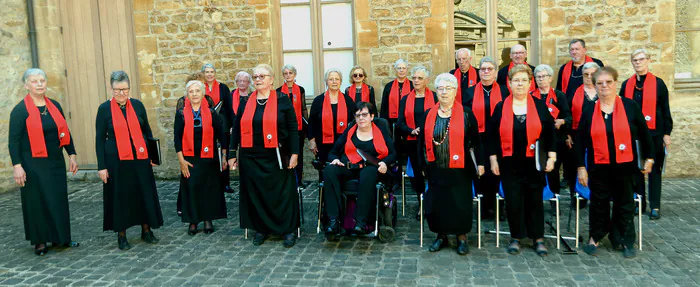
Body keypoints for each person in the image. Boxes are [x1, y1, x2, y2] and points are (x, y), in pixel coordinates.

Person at [576, 66, 654, 259]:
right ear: (594, 86)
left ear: (615, 83)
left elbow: (645, 135)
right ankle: (595, 236)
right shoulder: (589, 110)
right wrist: (581, 167)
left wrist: (650, 158)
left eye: (608, 82)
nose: (604, 86)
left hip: (625, 165)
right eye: (600, 83)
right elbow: (579, 141)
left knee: (624, 203)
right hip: (598, 166)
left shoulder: (630, 107)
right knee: (598, 202)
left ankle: (624, 239)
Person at [9, 68, 80, 255]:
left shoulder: (54, 105)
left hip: (55, 161)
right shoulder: (20, 111)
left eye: (42, 80)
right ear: (26, 85)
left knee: (58, 199)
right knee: (37, 201)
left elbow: (64, 131)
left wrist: (71, 154)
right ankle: (40, 241)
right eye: (34, 81)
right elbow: (13, 141)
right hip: (32, 164)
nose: (39, 84)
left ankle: (61, 238)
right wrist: (17, 166)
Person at [228, 64, 300, 248]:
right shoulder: (246, 102)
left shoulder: (283, 100)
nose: (258, 80)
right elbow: (236, 128)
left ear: (271, 79)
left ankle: (287, 229)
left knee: (282, 193)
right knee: (256, 194)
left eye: (262, 76)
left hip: (277, 155)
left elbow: (293, 128)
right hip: (251, 156)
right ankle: (261, 228)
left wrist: (295, 154)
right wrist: (231, 153)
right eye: (255, 77)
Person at [489, 64, 556, 256]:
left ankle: (538, 238)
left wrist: (551, 157)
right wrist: (493, 160)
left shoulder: (540, 106)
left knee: (535, 200)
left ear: (530, 84)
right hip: (509, 163)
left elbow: (550, 133)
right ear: (509, 83)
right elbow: (492, 136)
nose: (520, 84)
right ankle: (516, 237)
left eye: (523, 80)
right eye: (516, 80)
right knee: (513, 201)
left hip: (534, 163)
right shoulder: (501, 107)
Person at [95, 71, 163, 250]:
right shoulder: (104, 109)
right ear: (111, 89)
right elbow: (99, 139)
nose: (121, 93)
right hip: (116, 162)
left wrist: (153, 156)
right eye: (117, 90)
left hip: (140, 159)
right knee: (121, 197)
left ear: (129, 88)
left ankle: (146, 230)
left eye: (124, 89)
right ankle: (122, 235)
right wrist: (101, 166)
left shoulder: (138, 105)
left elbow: (147, 132)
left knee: (143, 193)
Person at [420, 73, 484, 255]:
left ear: (455, 91)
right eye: (440, 88)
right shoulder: (428, 114)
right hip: (436, 168)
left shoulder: (466, 114)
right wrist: (423, 165)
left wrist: (480, 163)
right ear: (436, 92)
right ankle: (441, 236)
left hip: (460, 170)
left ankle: (461, 237)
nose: (444, 92)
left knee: (459, 203)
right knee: (438, 203)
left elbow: (476, 141)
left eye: (448, 88)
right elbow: (422, 144)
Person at [322, 102, 396, 241]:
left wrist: (384, 162)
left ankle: (360, 222)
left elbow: (393, 154)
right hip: (349, 166)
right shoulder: (350, 131)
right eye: (357, 115)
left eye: (364, 115)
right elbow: (332, 152)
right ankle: (333, 221)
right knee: (329, 170)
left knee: (367, 174)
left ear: (372, 116)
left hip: (370, 167)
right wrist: (335, 160)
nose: (361, 118)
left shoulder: (381, 131)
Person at [619, 49, 673, 220]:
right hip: (633, 135)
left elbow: (665, 110)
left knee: (654, 170)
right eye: (635, 60)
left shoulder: (658, 84)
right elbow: (621, 110)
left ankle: (655, 205)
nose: (638, 63)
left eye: (641, 59)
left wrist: (666, 133)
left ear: (648, 60)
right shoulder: (626, 85)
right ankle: (638, 202)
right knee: (636, 170)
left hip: (654, 133)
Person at [175, 80, 228, 235]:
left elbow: (222, 135)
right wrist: (181, 161)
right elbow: (177, 138)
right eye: (191, 92)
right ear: (187, 95)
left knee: (208, 189)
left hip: (209, 157)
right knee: (191, 188)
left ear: (203, 93)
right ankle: (193, 221)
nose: (194, 94)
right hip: (189, 159)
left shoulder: (211, 113)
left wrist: (224, 155)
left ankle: (207, 219)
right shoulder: (181, 114)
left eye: (197, 91)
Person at [462, 57, 509, 219]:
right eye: (483, 69)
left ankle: (497, 207)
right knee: (480, 173)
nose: (486, 72)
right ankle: (483, 207)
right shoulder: (469, 92)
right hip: (478, 139)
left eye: (490, 69)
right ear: (479, 72)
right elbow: (465, 117)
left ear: (496, 72)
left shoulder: (504, 91)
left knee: (497, 172)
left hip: (499, 139)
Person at [397, 66, 437, 220]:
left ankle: (433, 203)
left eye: (420, 78)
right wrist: (411, 130)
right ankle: (421, 204)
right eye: (414, 78)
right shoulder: (406, 99)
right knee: (418, 176)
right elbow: (399, 123)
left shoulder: (434, 96)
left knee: (432, 172)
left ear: (427, 80)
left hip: (432, 142)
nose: (416, 81)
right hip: (413, 142)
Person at [308, 69, 356, 182]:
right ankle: (324, 197)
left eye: (337, 79)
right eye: (331, 79)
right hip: (323, 144)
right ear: (326, 81)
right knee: (325, 172)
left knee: (341, 170)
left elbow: (355, 121)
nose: (334, 82)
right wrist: (312, 141)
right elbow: (312, 122)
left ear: (341, 81)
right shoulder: (318, 100)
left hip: (343, 144)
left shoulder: (348, 100)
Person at [532, 64, 572, 197]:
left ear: (550, 78)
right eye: (538, 77)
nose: (541, 79)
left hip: (555, 139)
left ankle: (554, 200)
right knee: (537, 171)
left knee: (553, 171)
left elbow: (568, 116)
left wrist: (562, 121)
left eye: (544, 76)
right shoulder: (531, 96)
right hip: (537, 139)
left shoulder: (559, 95)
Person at [565, 62, 600, 207]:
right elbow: (566, 112)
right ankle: (578, 196)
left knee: (595, 165)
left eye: (592, 74)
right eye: (586, 74)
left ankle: (596, 193)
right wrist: (567, 134)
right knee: (576, 165)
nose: (589, 77)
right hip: (577, 135)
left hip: (599, 135)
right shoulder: (574, 91)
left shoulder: (603, 91)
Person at [276, 64, 309, 187]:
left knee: (298, 154)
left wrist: (307, 126)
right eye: (285, 73)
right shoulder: (278, 91)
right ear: (283, 75)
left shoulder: (300, 90)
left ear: (294, 74)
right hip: (283, 128)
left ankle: (298, 180)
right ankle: (287, 180)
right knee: (285, 154)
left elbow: (304, 108)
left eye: (290, 73)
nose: (288, 75)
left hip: (298, 127)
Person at [202, 64, 233, 193]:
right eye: (207, 72)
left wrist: (232, 124)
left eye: (211, 72)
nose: (209, 74)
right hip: (206, 124)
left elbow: (229, 107)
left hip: (222, 124)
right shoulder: (199, 87)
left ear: (215, 73)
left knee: (223, 152)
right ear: (203, 74)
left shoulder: (223, 87)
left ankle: (225, 183)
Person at [380, 59, 414, 127]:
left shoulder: (412, 85)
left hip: (408, 121)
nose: (401, 70)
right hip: (391, 121)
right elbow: (384, 106)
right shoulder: (388, 86)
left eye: (404, 68)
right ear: (395, 70)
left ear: (407, 70)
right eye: (399, 68)